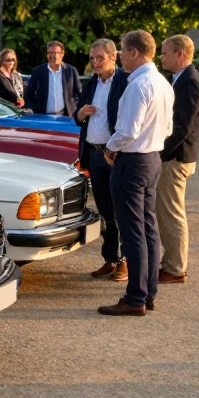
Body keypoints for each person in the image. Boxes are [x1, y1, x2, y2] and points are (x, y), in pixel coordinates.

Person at [98, 30, 174, 316]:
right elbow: (167, 129)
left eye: (122, 50)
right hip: (153, 158)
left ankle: (135, 297)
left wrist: (109, 147)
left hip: (133, 161)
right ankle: (148, 291)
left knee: (133, 233)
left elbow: (127, 130)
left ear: (135, 52)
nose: (119, 55)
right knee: (148, 228)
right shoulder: (163, 83)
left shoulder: (138, 85)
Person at [75, 38, 129, 282]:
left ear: (113, 57)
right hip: (94, 153)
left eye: (100, 58)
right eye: (92, 59)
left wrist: (116, 148)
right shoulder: (91, 83)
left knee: (122, 209)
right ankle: (110, 259)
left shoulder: (125, 81)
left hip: (115, 154)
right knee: (105, 211)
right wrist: (81, 113)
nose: (95, 63)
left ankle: (125, 261)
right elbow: (77, 116)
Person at [156, 34, 199, 283]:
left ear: (180, 54)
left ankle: (175, 268)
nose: (161, 56)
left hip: (176, 158)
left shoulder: (190, 82)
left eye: (165, 52)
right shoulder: (181, 79)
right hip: (175, 157)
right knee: (166, 212)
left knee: (171, 213)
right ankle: (171, 263)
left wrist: (159, 153)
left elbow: (181, 128)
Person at [24, 40, 82, 116]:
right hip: (42, 116)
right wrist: (32, 109)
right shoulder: (38, 71)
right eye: (49, 53)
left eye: (56, 53)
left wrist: (74, 107)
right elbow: (28, 94)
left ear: (62, 54)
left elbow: (80, 93)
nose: (52, 56)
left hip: (66, 117)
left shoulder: (71, 71)